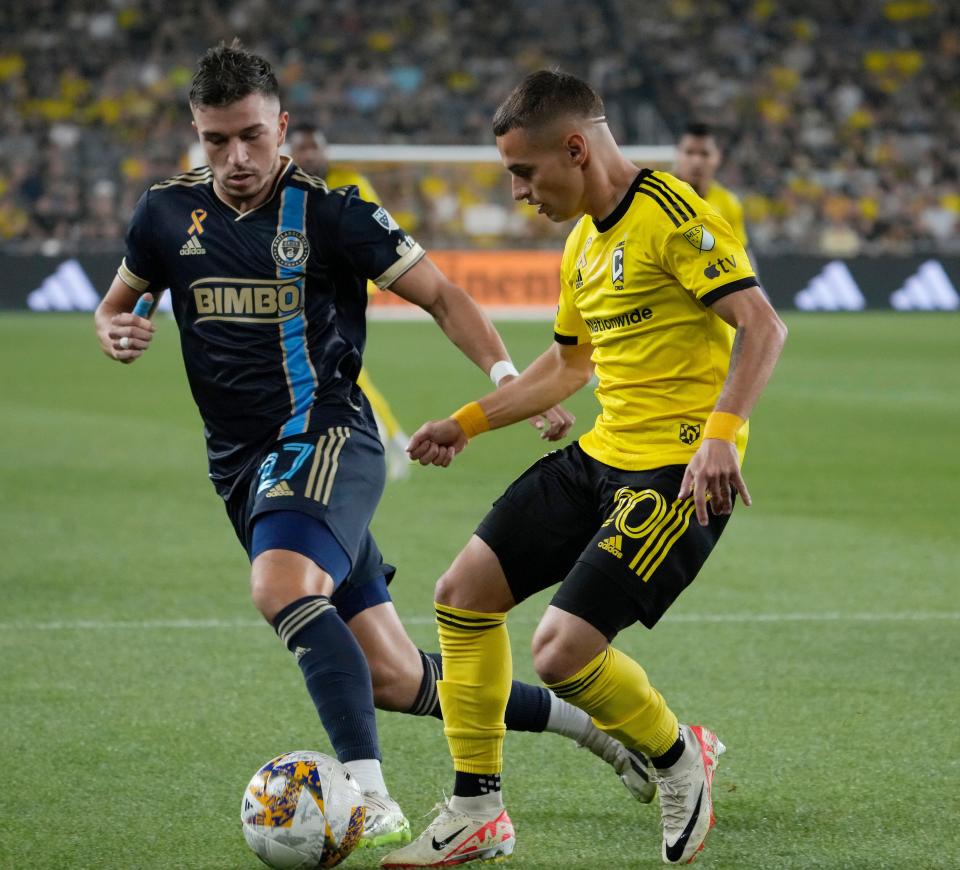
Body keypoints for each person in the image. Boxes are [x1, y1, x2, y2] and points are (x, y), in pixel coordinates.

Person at [93, 46, 658, 851]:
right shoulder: (162, 215)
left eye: (252, 136)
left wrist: (504, 379)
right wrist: (112, 327)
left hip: (325, 437)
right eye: (216, 141)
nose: (237, 158)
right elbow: (117, 302)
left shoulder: (333, 214)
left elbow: (443, 294)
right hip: (242, 469)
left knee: (280, 585)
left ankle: (366, 794)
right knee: (394, 678)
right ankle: (598, 733)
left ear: (281, 127)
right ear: (196, 135)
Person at [383, 71, 787, 867]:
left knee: (561, 652)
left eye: (524, 173)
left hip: (677, 473)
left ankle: (679, 760)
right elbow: (569, 368)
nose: (517, 192)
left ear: (575, 147)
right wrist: (466, 422)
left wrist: (722, 433)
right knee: (462, 595)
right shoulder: (582, 242)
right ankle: (476, 810)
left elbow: (762, 326)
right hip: (601, 457)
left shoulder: (673, 215)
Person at [288, 123, 411, 481]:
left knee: (338, 365)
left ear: (325, 151)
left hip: (342, 292)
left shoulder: (350, 182)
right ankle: (383, 438)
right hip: (305, 293)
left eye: (314, 148)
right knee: (341, 369)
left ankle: (383, 438)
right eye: (302, 149)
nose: (309, 155)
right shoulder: (284, 189)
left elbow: (375, 229)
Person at [674, 121, 749, 250]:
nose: (696, 161)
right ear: (677, 154)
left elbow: (741, 253)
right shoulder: (656, 197)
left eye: (704, 154)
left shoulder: (728, 203)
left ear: (717, 157)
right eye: (689, 153)